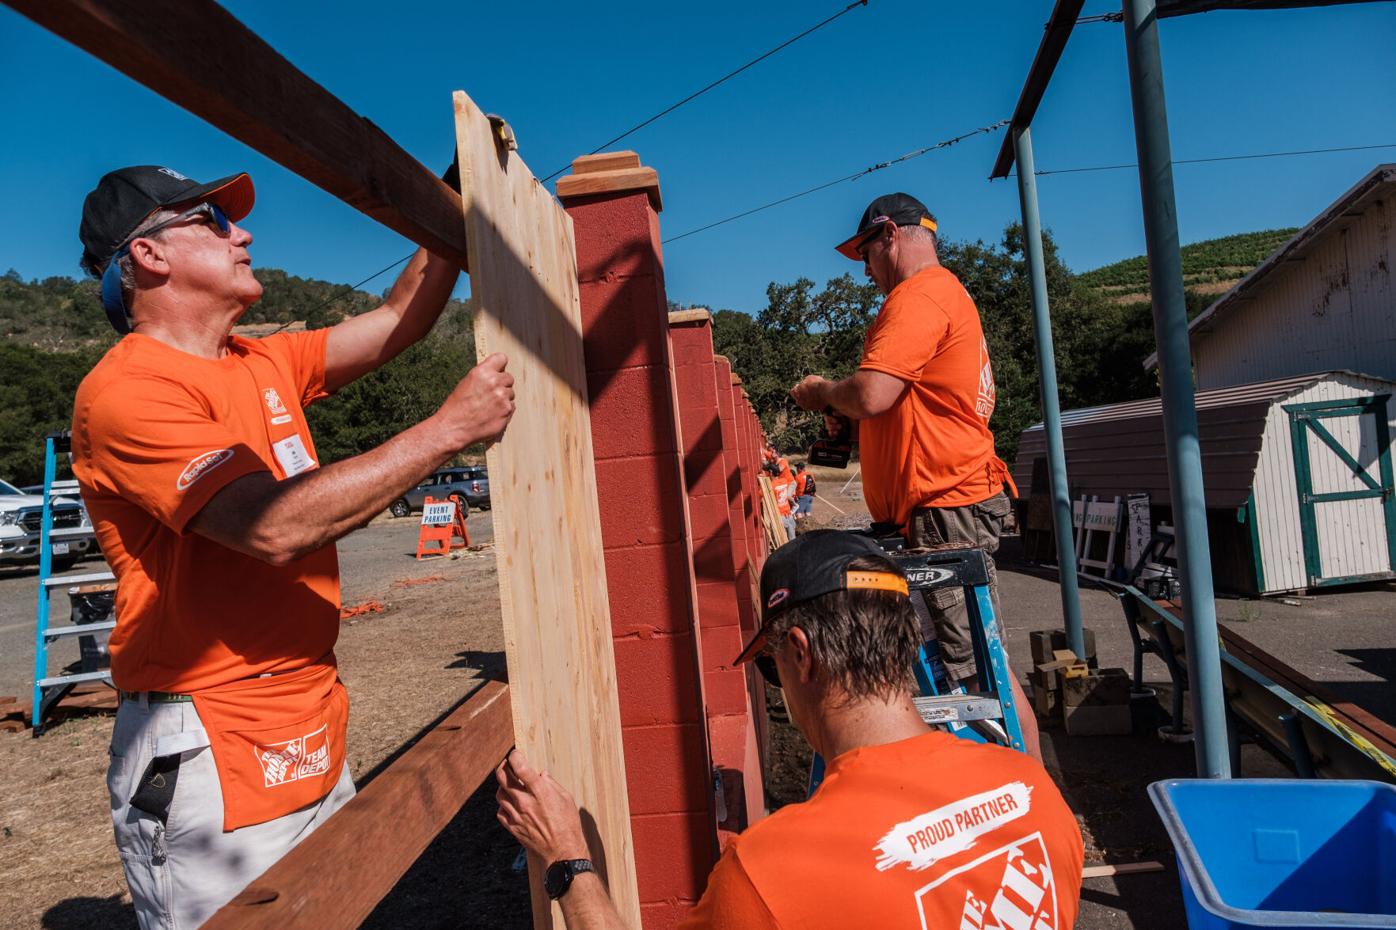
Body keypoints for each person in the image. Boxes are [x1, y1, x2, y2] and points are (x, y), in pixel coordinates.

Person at [71, 164, 516, 929]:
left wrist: (449, 209)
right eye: (212, 220)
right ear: (148, 255)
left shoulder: (263, 360)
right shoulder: (128, 392)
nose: (242, 233)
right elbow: (270, 527)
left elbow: (401, 317)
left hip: (305, 712)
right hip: (211, 738)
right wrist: (448, 431)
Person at [494, 530, 1083, 929]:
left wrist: (567, 859)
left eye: (772, 668)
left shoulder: (770, 874)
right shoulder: (1034, 792)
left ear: (801, 655)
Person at [788, 193, 1039, 759]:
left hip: (947, 506)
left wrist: (823, 392)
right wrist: (847, 422)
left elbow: (873, 393)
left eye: (866, 256)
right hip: (944, 502)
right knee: (977, 664)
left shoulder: (919, 296)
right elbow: (906, 407)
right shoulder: (942, 296)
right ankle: (1017, 788)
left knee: (978, 672)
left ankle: (1025, 794)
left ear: (887, 235)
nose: (868, 271)